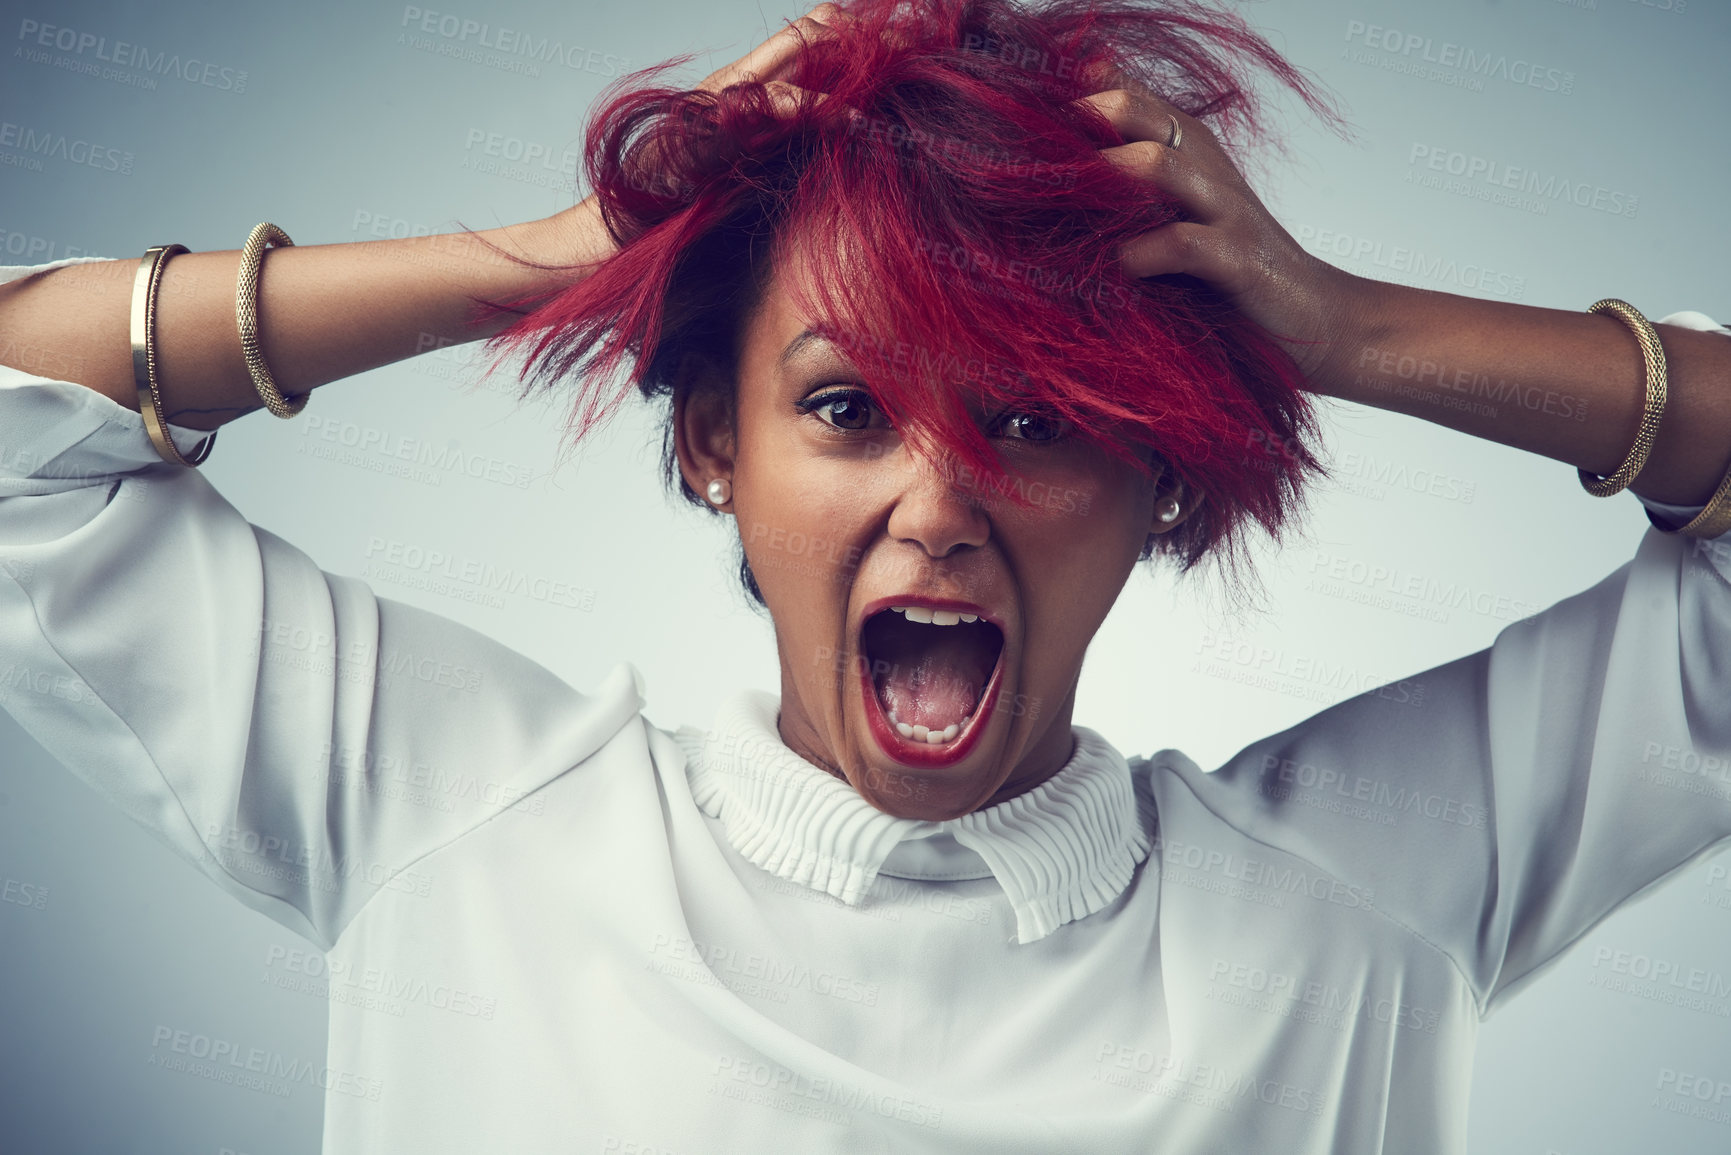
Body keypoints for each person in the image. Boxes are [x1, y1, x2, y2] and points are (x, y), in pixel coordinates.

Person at [2, 1, 1728, 1151]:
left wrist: (1339, 328)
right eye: (842, 406)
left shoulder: (1374, 891)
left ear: (1162, 477)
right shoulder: (452, 812)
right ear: (712, 449)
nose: (939, 499)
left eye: (1041, 414)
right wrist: (575, 260)